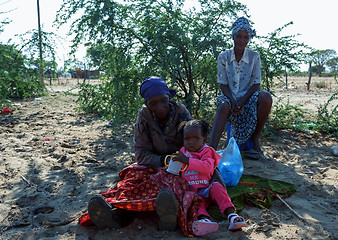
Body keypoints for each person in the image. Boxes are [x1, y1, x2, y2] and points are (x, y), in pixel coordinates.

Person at [80, 76, 225, 237]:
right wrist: (164, 160)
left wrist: (184, 161)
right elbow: (141, 154)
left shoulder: (181, 113)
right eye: (153, 104)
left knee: (186, 189)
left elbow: (197, 144)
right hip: (155, 166)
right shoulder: (143, 117)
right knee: (131, 181)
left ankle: (170, 217)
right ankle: (114, 214)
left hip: (183, 168)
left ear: (169, 98)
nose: (160, 107)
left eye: (163, 101)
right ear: (146, 104)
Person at [209, 16, 272, 160]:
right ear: (233, 37)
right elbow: (223, 83)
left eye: (245, 37)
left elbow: (256, 83)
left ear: (249, 38)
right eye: (238, 36)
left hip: (248, 96)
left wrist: (242, 101)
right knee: (223, 106)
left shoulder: (254, 56)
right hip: (229, 94)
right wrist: (233, 100)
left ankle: (255, 140)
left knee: (265, 97)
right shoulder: (223, 56)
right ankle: (211, 150)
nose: (242, 40)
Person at [172, 119, 246, 236]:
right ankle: (204, 220)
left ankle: (232, 216)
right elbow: (179, 170)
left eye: (196, 138)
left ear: (204, 140)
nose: (191, 142)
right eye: (187, 139)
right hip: (194, 192)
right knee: (196, 203)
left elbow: (206, 167)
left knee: (218, 188)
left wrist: (187, 161)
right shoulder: (183, 152)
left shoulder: (207, 151)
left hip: (208, 187)